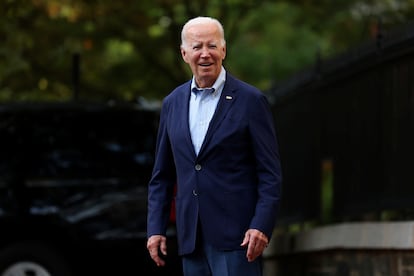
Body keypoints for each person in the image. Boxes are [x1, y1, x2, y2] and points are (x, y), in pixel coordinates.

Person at [146, 16, 282, 276]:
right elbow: (161, 177)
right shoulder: (172, 103)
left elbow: (270, 173)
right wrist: (155, 229)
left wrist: (261, 225)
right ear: (185, 53)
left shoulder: (251, 101)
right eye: (197, 47)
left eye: (212, 46)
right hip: (191, 238)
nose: (205, 54)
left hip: (239, 238)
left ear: (223, 50)